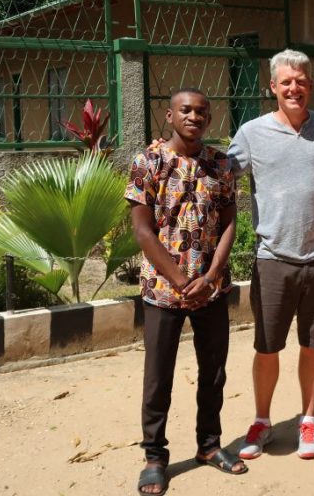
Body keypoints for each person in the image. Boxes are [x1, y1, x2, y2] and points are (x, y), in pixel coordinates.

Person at [127, 88, 246, 496]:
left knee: (213, 373)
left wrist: (212, 275)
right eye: (186, 110)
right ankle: (155, 457)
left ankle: (209, 446)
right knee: (159, 376)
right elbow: (142, 229)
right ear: (170, 115)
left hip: (212, 290)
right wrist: (180, 280)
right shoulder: (149, 161)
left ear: (209, 119)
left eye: (201, 112)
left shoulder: (221, 163)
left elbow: (230, 221)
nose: (194, 117)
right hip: (164, 291)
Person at [228, 49, 314, 460]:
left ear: (310, 86)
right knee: (267, 345)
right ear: (273, 87)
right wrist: (170, 150)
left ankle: (308, 419)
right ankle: (262, 420)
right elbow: (219, 173)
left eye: (301, 81)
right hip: (273, 256)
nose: (294, 88)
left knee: (313, 345)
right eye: (286, 82)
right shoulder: (251, 133)